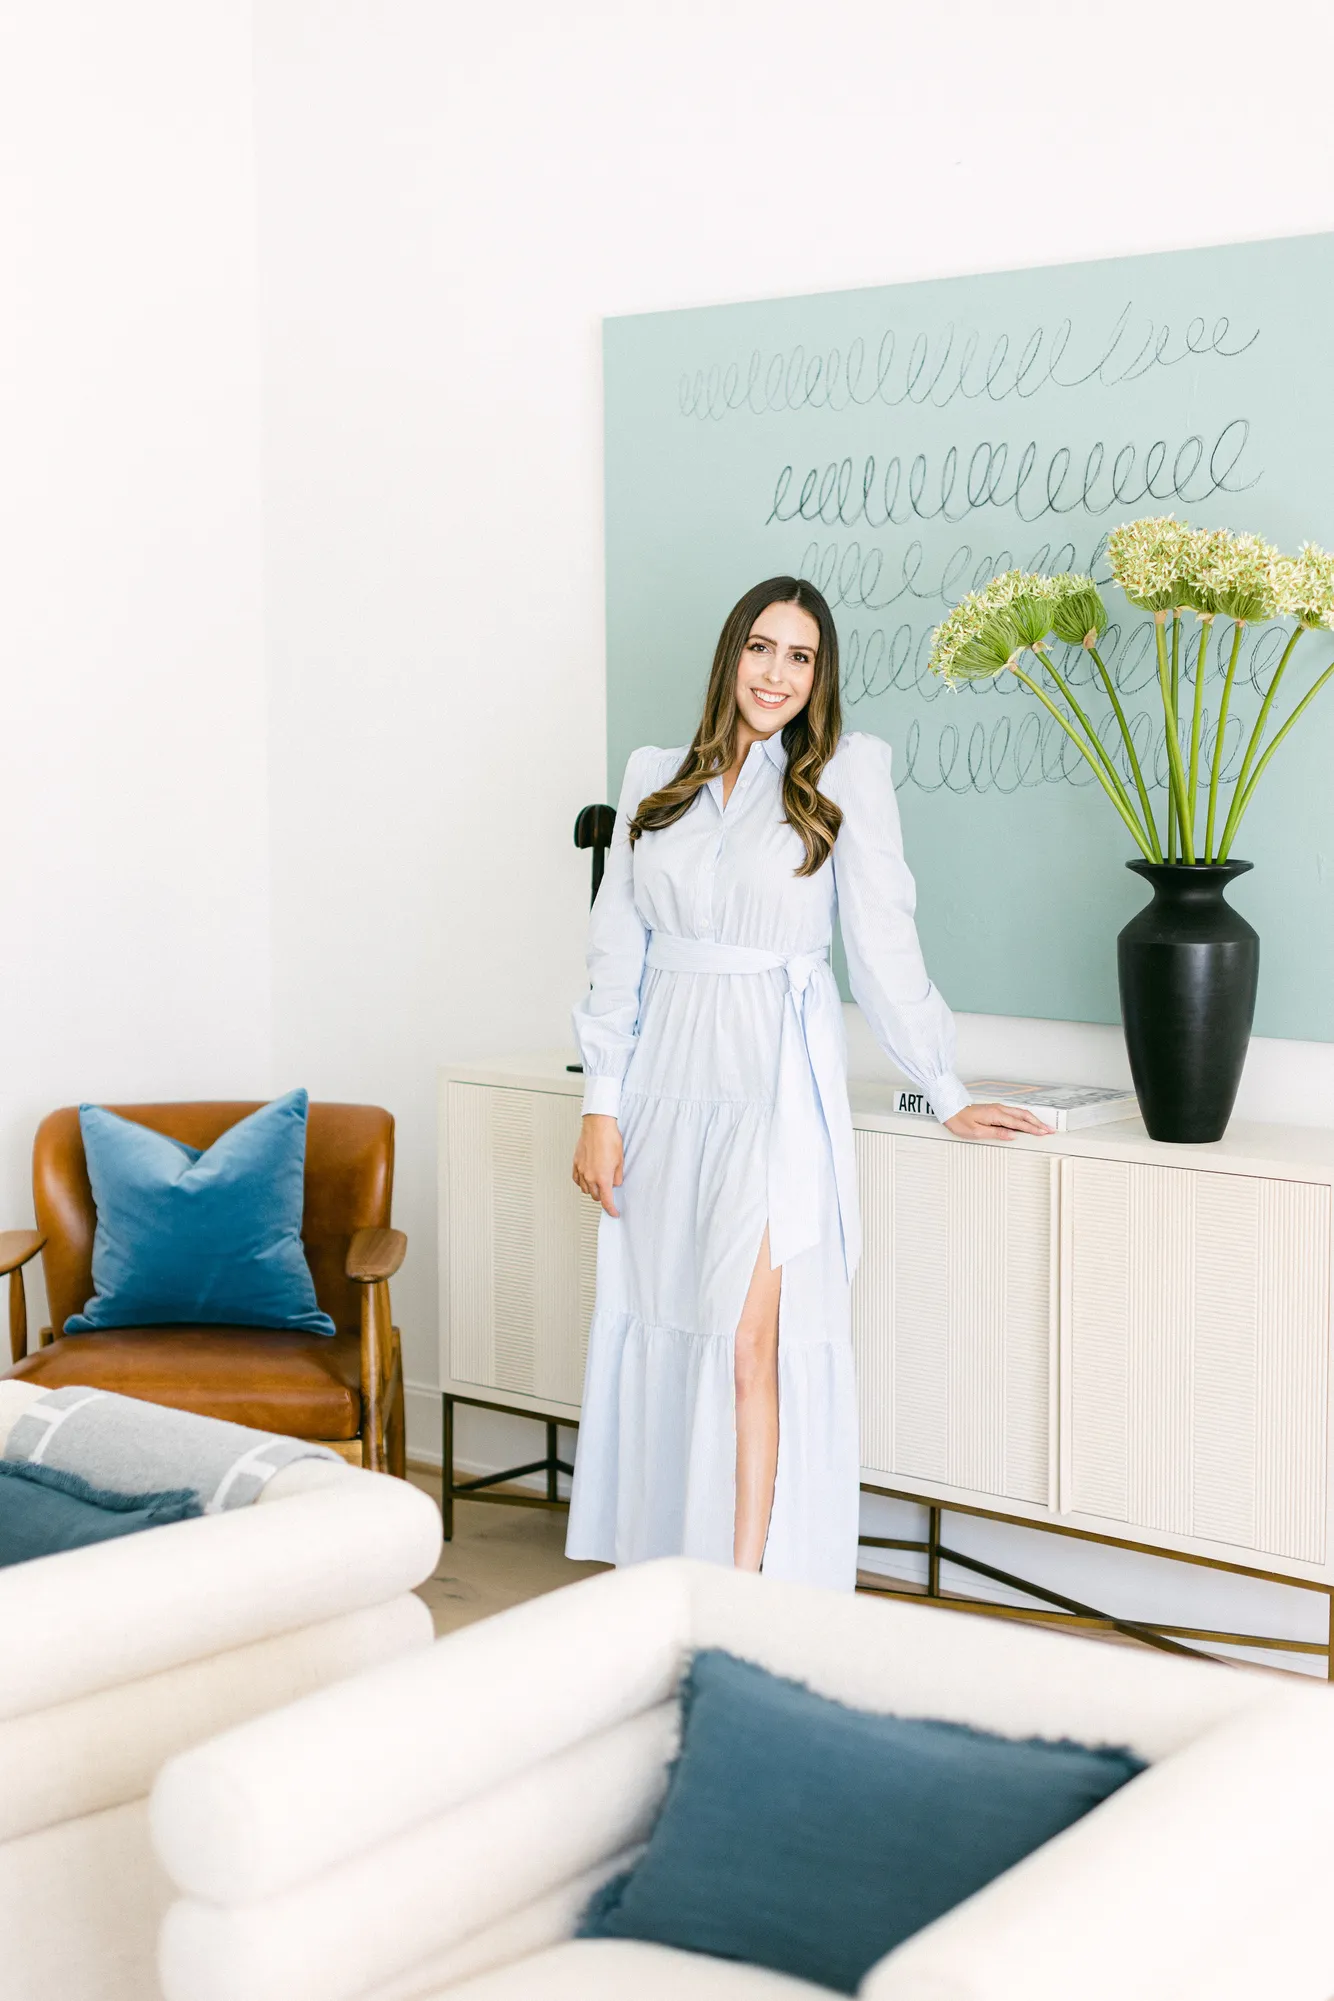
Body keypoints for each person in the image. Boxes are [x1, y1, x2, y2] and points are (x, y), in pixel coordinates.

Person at [565, 577, 1050, 1590]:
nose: (775, 673)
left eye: (799, 656)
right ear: (728, 654)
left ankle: (742, 1591)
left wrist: (942, 1081)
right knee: (672, 1323)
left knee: (748, 1344)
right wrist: (599, 1106)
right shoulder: (657, 776)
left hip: (773, 1083)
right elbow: (617, 950)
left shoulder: (841, 774)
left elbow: (880, 938)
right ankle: (665, 1574)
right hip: (662, 1087)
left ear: (818, 675)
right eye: (759, 647)